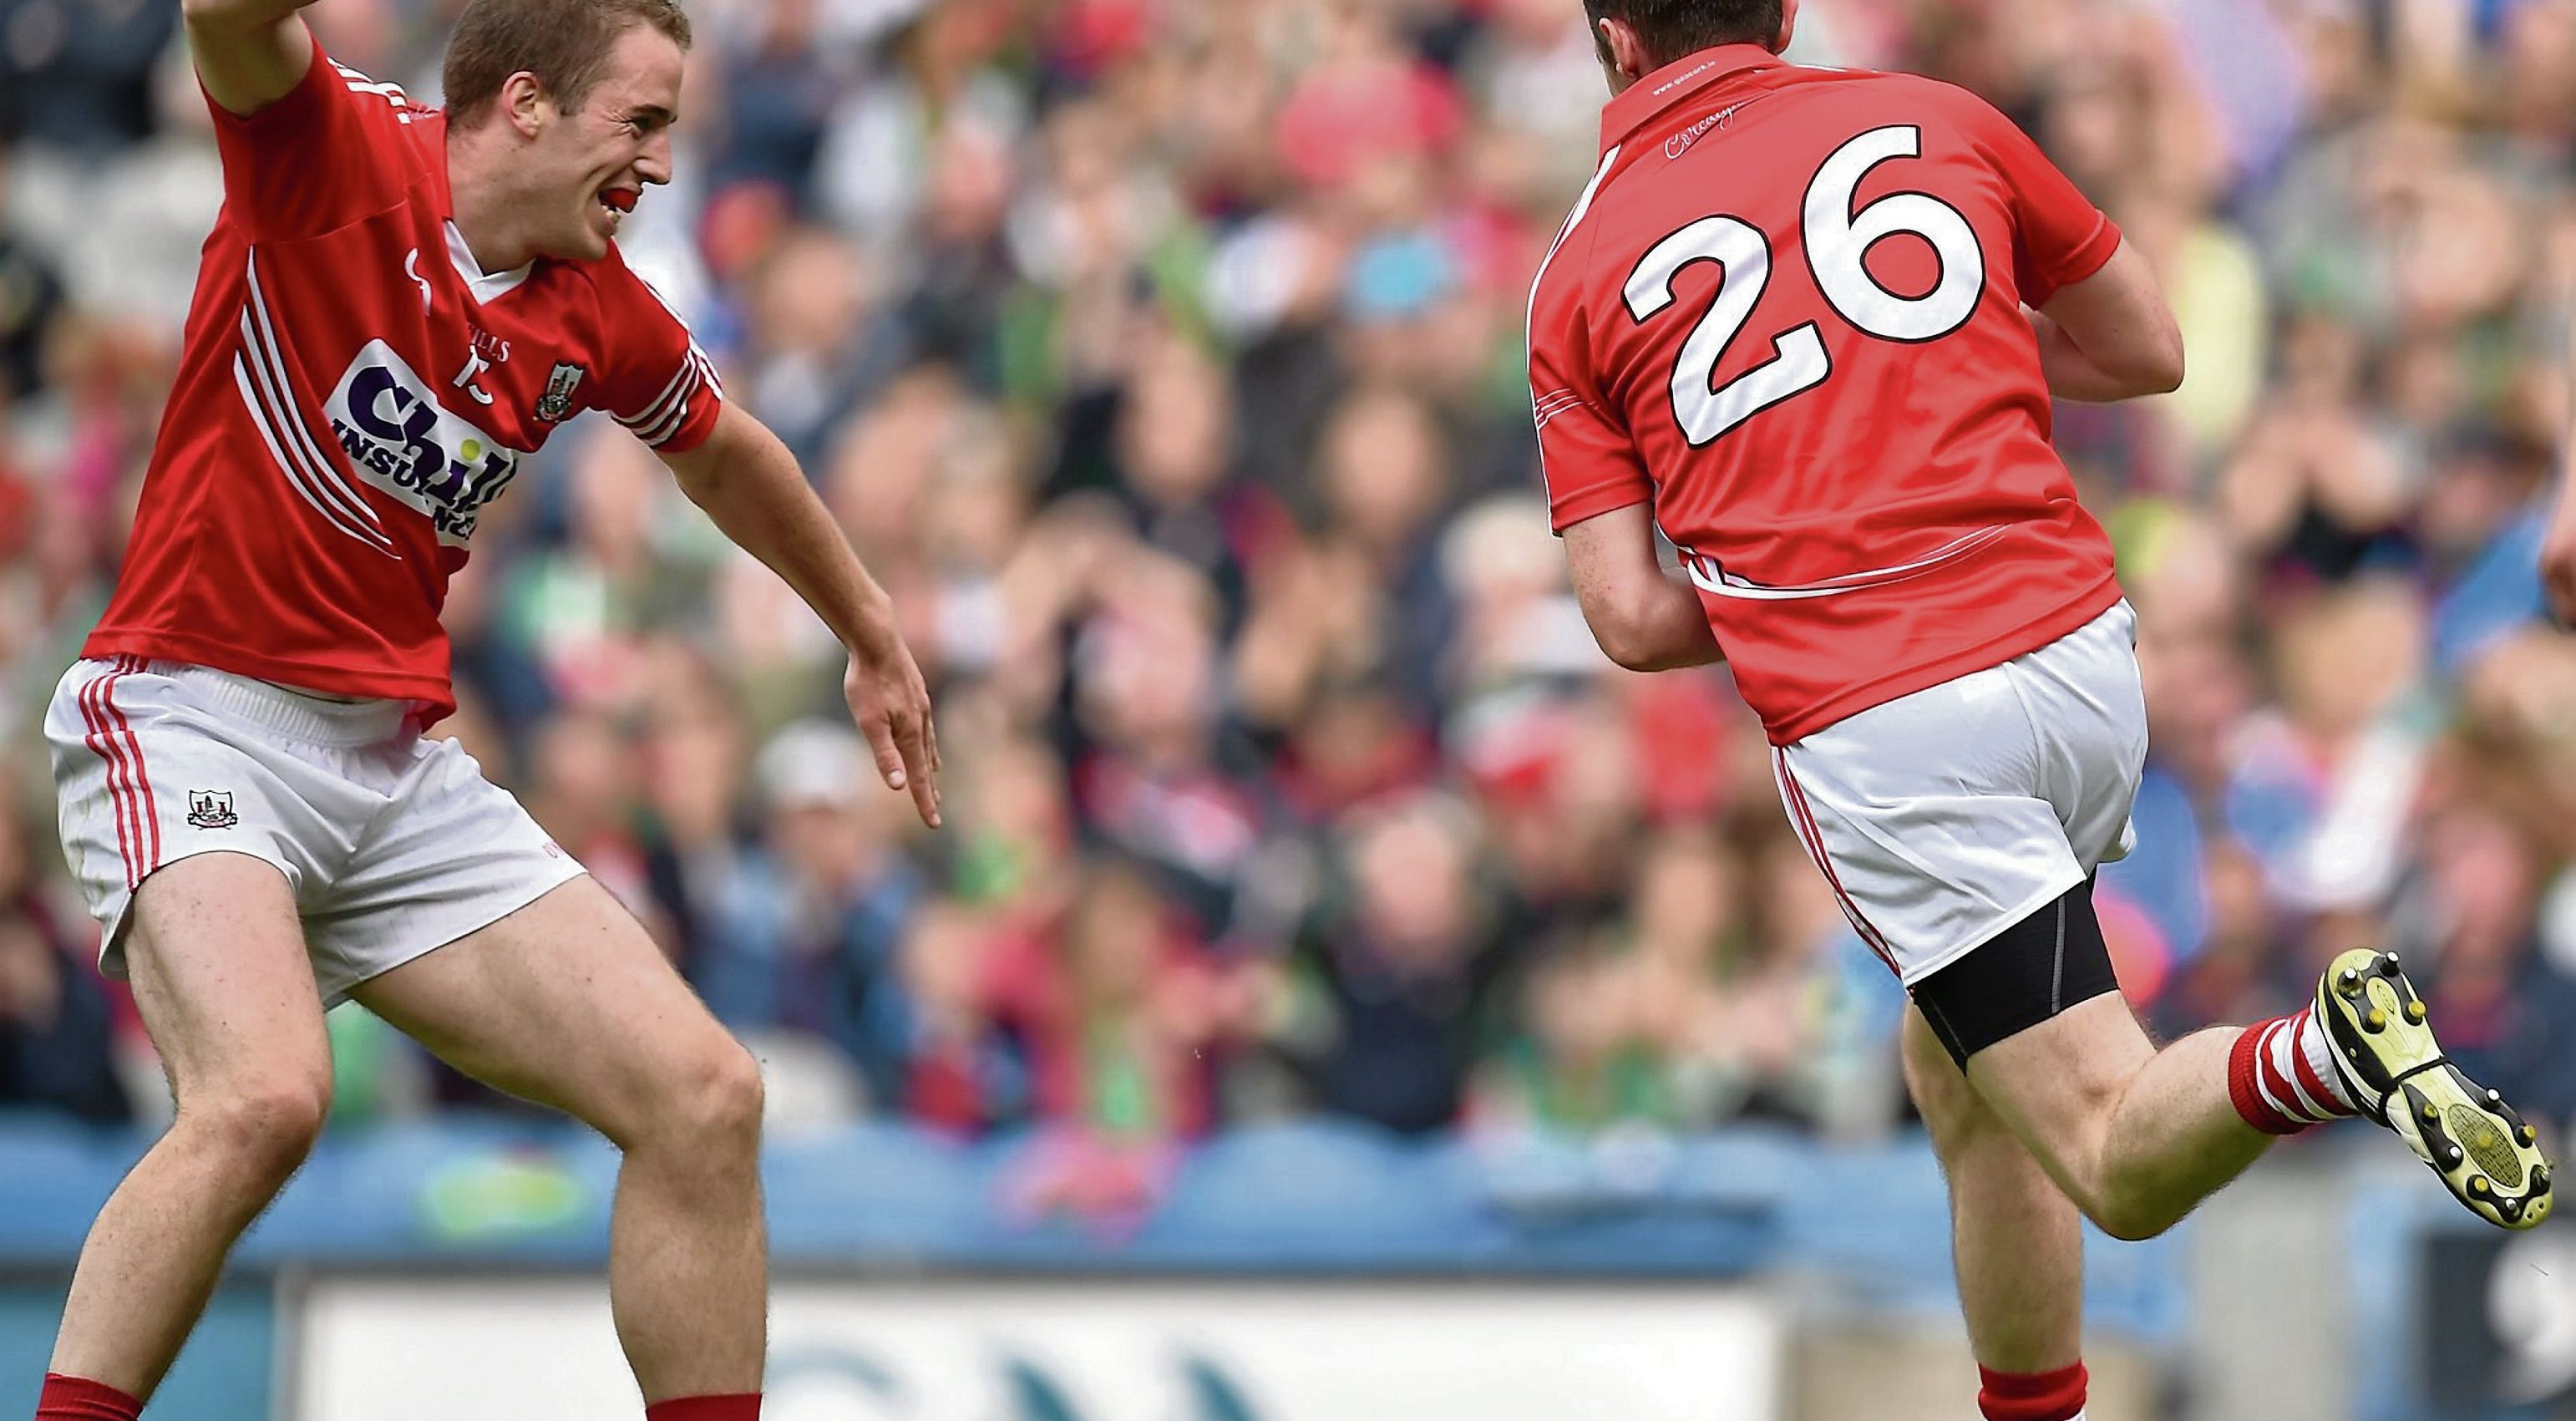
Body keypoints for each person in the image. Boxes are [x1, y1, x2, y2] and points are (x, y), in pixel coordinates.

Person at [1529, 6, 2552, 1421]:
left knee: (2112, 1153)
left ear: (1615, 39)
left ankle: (2324, 1048)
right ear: (1779, 13)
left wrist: (1806, 546)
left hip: (1893, 722)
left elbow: (1631, 618)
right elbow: (2146, 347)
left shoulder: (1581, 266)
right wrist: (1955, 387)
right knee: (1959, 1068)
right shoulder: (1942, 114)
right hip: (2080, 656)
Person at [31, 1, 943, 1418]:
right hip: (190, 711)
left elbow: (731, 461)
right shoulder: (323, 151)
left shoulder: (598, 305)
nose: (655, 162)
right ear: (525, 103)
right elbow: (224, 15)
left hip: (387, 772)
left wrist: (870, 628)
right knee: (265, 1099)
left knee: (707, 1098)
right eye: (637, 123)